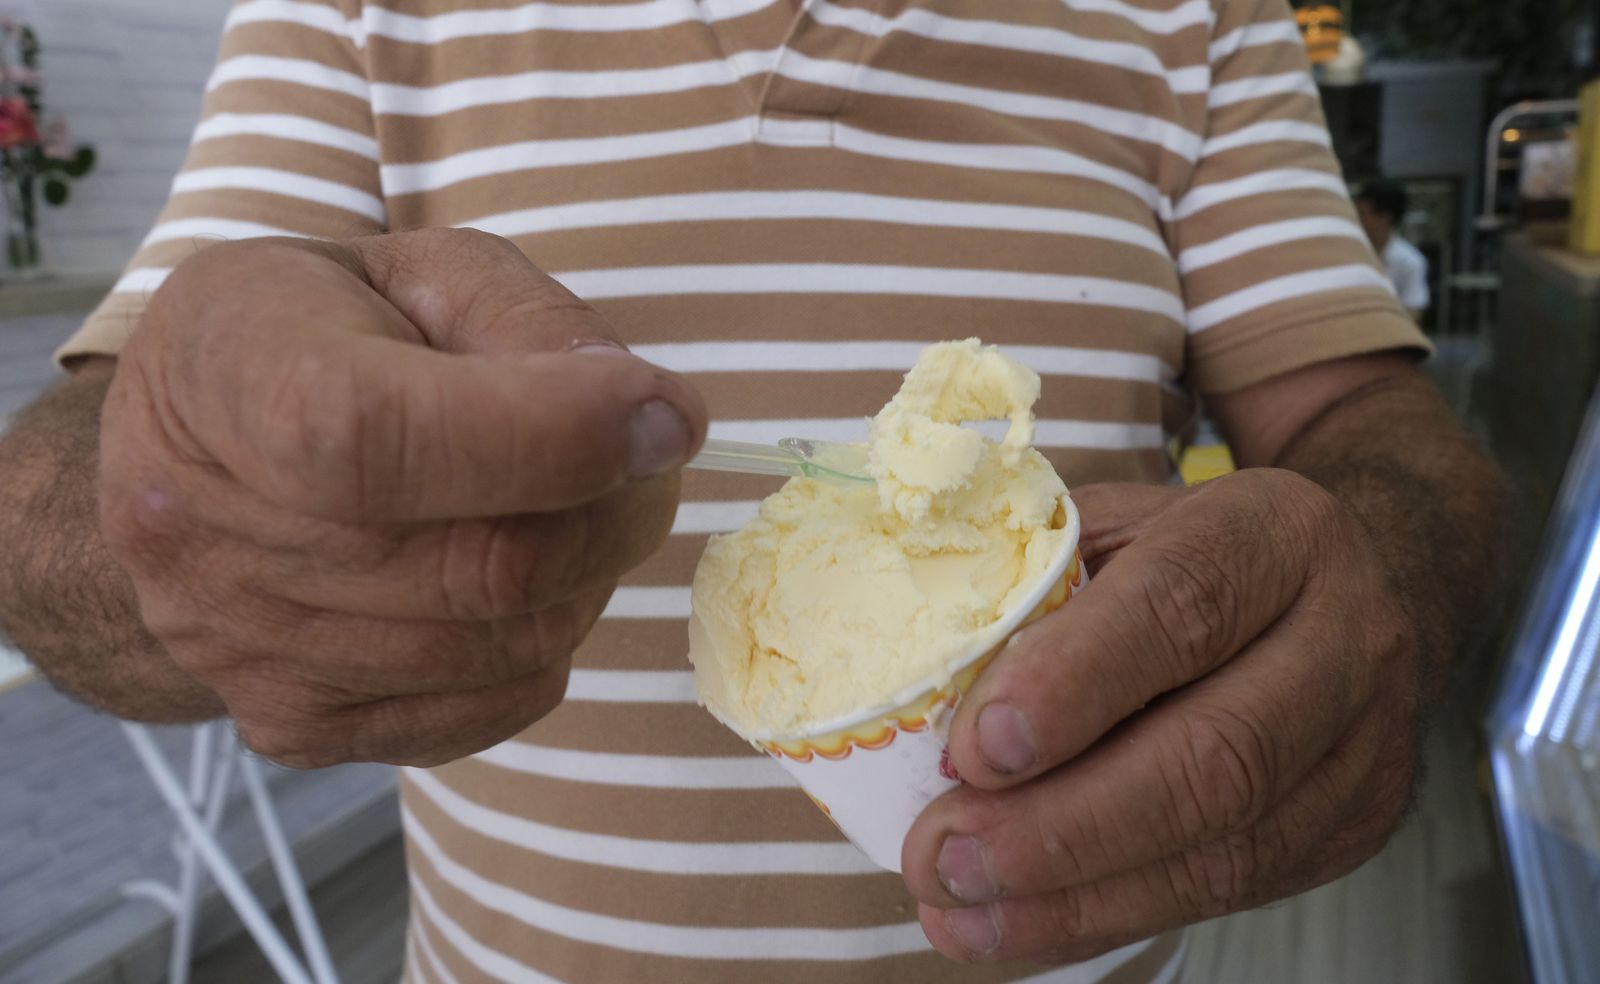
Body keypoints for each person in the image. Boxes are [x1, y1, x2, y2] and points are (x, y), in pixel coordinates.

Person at [0, 1, 1505, 981]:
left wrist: (1375, 580)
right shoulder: (350, 16)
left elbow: (1370, 428)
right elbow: (67, 492)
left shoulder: (1199, 20)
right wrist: (176, 513)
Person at [1355, 179, 1431, 324]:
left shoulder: (1410, 262)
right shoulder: (1349, 252)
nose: (1356, 220)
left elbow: (1414, 309)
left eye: (1362, 214)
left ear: (1385, 218)